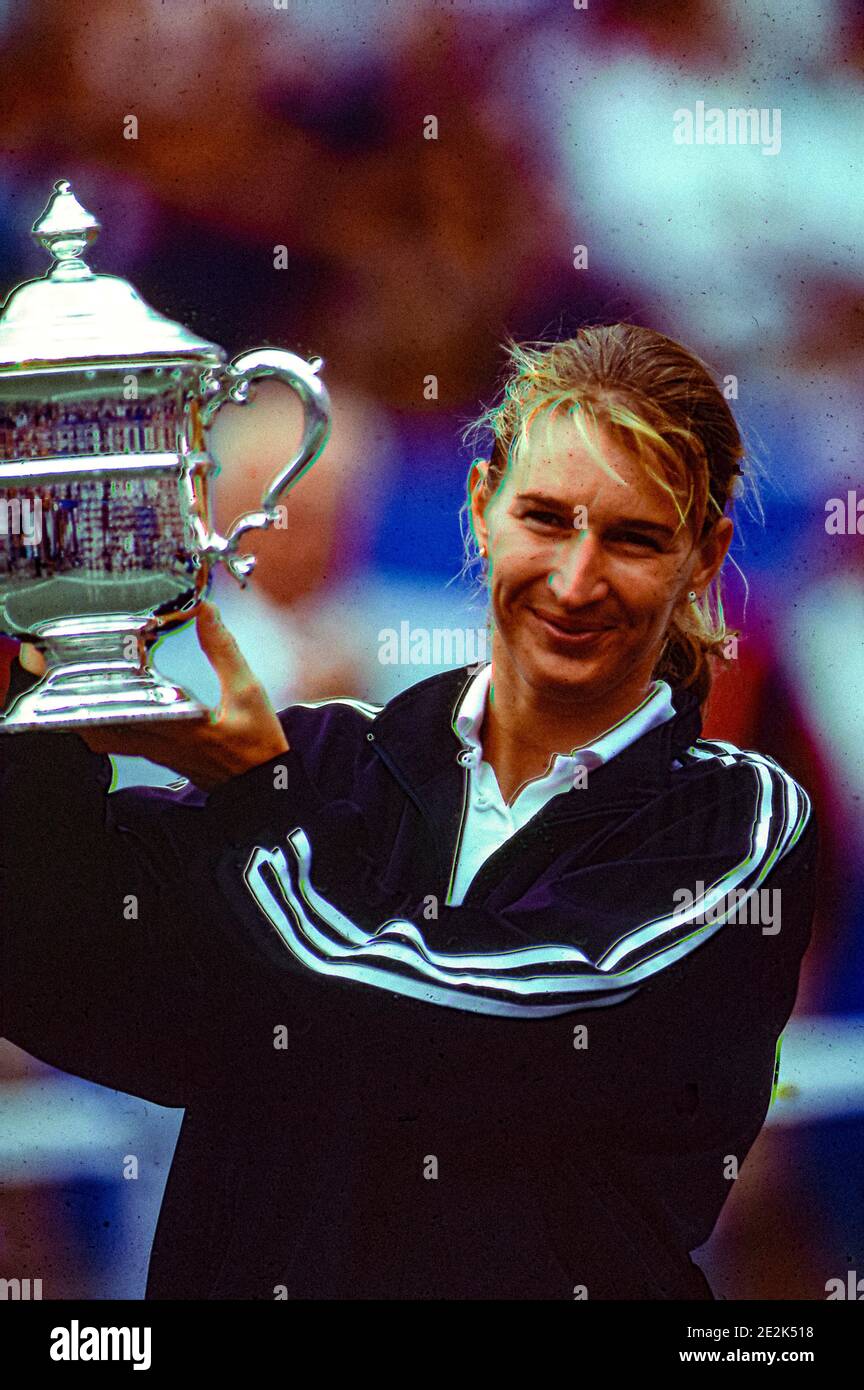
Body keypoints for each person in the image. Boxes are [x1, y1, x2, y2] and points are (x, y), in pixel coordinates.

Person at [0, 324, 819, 1300]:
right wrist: (50, 673)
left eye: (635, 537)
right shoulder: (334, 761)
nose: (574, 579)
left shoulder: (737, 821)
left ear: (705, 556)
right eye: (546, 519)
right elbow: (63, 962)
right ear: (482, 508)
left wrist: (267, 798)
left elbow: (461, 1029)